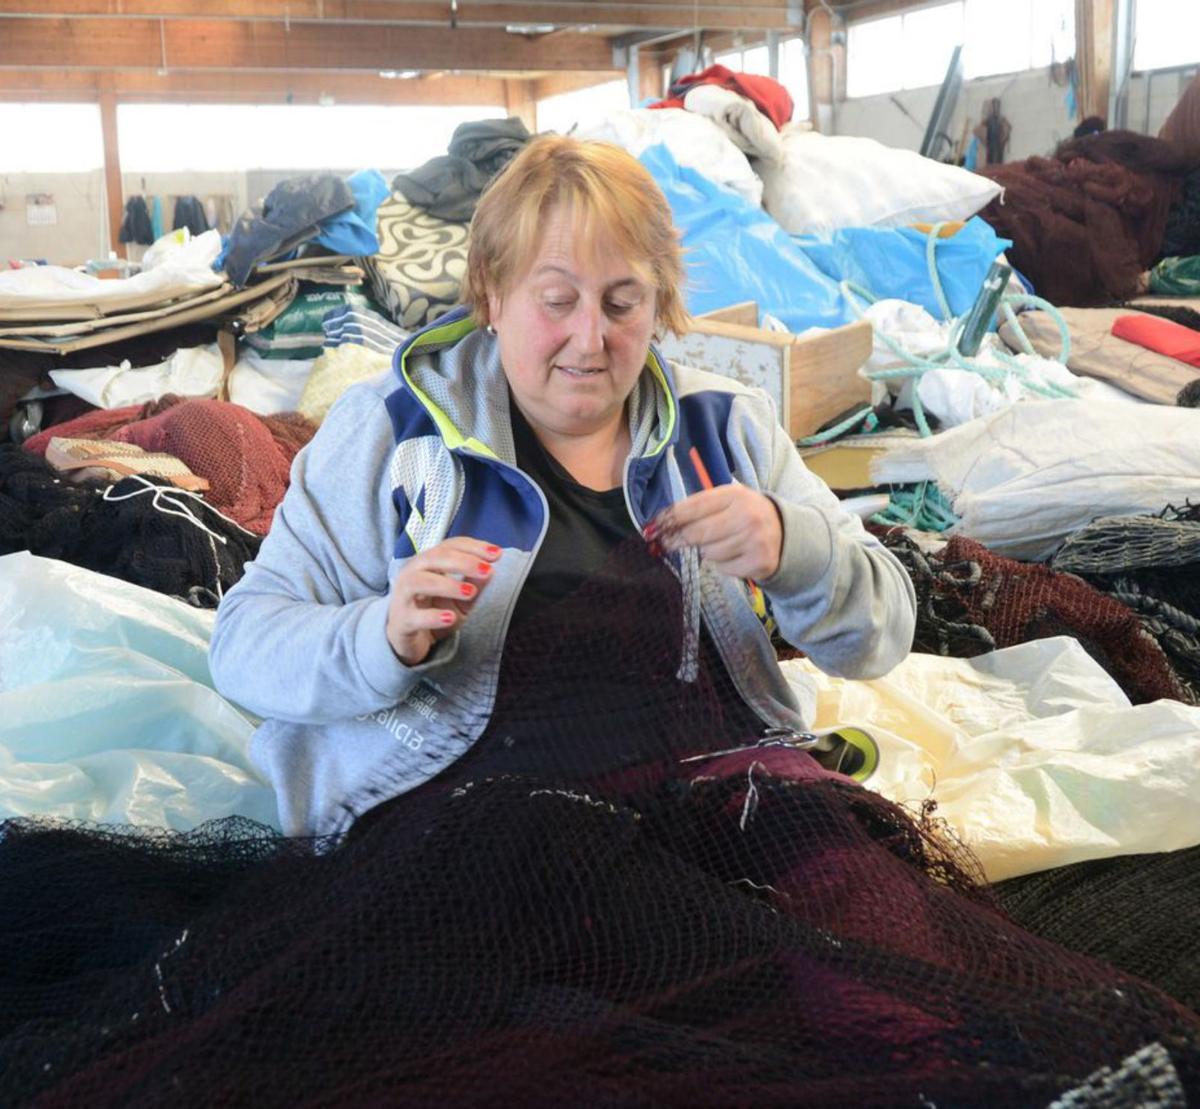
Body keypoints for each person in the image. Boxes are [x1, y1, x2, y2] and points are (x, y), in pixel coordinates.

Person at [209, 135, 916, 838]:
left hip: (710, 805)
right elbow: (243, 646)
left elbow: (879, 638)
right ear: (490, 289)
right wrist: (381, 638)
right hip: (467, 826)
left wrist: (795, 549)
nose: (589, 338)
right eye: (556, 300)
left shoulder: (727, 427)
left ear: (660, 297)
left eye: (621, 303)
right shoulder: (390, 433)